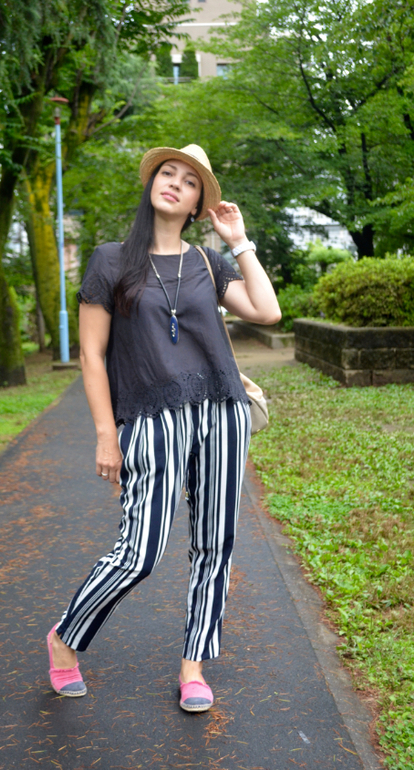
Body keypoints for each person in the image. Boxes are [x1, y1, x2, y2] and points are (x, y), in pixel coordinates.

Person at [46, 144, 281, 712]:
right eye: (167, 172)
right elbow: (92, 355)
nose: (175, 182)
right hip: (151, 416)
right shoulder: (110, 261)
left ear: (199, 203)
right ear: (151, 183)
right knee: (140, 553)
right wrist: (107, 434)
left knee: (214, 545)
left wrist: (239, 241)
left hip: (222, 412)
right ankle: (65, 637)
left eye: (190, 181)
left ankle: (193, 667)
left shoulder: (208, 263)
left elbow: (267, 311)